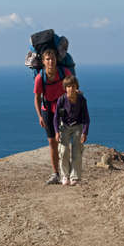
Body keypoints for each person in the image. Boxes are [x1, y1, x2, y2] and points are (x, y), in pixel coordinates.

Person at [34, 48, 72, 184]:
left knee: (65, 141)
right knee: (52, 143)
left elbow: (72, 88)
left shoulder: (64, 72)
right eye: (48, 59)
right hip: (48, 111)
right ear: (43, 62)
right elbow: (37, 98)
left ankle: (66, 173)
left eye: (53, 59)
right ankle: (56, 173)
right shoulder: (40, 78)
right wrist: (39, 116)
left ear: (56, 60)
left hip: (63, 110)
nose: (51, 61)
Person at [53, 75, 90, 186]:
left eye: (73, 86)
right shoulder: (62, 100)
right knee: (63, 151)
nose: (71, 89)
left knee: (77, 151)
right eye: (68, 86)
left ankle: (75, 177)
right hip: (64, 126)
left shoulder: (81, 100)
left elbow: (87, 118)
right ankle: (65, 176)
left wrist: (84, 132)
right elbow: (56, 117)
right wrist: (56, 131)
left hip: (77, 126)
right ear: (65, 88)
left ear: (76, 87)